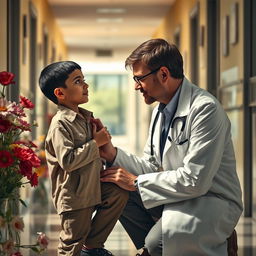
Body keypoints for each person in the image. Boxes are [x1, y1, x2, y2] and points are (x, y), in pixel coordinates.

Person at [99, 39, 243, 256]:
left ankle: (155, 247)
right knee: (115, 193)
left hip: (210, 199)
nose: (136, 86)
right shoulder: (160, 110)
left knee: (159, 242)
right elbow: (152, 165)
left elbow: (196, 180)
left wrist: (137, 182)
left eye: (139, 79)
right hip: (179, 195)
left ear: (163, 74)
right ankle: (155, 247)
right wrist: (111, 153)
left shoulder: (205, 109)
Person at [38, 61, 128, 256]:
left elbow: (94, 155)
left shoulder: (85, 118)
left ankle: (93, 247)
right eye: (78, 81)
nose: (86, 85)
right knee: (72, 243)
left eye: (84, 80)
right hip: (74, 196)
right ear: (60, 93)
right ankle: (84, 248)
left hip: (92, 186)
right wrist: (95, 143)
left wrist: (102, 141)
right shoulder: (60, 124)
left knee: (117, 191)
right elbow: (68, 160)